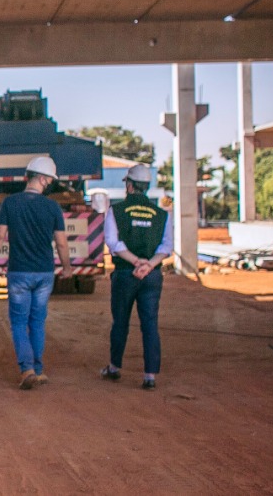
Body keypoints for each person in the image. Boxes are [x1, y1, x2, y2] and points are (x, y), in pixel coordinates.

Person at [0, 156, 73, 390]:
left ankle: (27, 369)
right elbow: (61, 243)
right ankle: (38, 370)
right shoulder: (52, 207)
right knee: (38, 322)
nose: (50, 184)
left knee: (20, 323)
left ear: (27, 177)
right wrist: (67, 267)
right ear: (43, 179)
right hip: (44, 273)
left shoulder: (11, 204)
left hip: (19, 272)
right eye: (49, 180)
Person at [100, 164, 173, 390]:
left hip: (125, 273)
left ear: (129, 186)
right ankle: (150, 375)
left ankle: (114, 368)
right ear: (147, 186)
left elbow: (113, 243)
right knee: (150, 323)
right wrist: (148, 264)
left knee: (120, 321)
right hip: (151, 276)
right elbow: (167, 246)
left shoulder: (116, 210)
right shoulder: (162, 214)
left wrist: (135, 262)